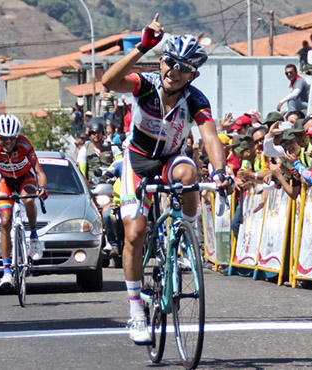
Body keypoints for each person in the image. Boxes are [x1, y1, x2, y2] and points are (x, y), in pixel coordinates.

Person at [101, 14, 230, 344]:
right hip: (138, 161)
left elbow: (211, 137)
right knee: (136, 232)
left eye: (184, 67)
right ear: (161, 61)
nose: (175, 71)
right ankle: (135, 312)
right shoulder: (145, 85)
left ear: (194, 74)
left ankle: (185, 236)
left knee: (189, 173)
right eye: (171, 62)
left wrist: (220, 171)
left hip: (170, 160)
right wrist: (142, 46)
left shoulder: (195, 99)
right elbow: (109, 81)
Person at [0, 114, 47, 290]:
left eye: (11, 138)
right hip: (5, 181)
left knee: (27, 200)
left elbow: (39, 172)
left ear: (16, 137)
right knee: (4, 221)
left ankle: (33, 235)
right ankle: (7, 271)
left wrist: (41, 188)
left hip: (25, 178)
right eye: (4, 138)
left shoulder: (25, 145)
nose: (8, 142)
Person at [77, 118, 113, 185]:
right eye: (93, 133)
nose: (96, 135)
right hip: (92, 185)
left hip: (110, 183)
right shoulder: (84, 149)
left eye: (98, 132)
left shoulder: (112, 146)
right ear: (90, 135)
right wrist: (87, 186)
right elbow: (82, 172)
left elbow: (120, 164)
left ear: (102, 134)